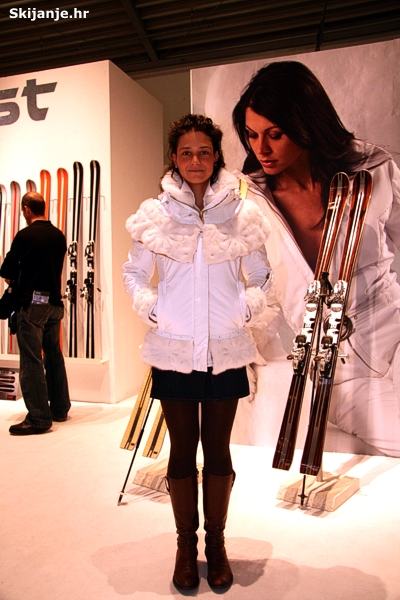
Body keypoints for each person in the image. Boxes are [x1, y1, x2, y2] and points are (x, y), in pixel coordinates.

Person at [123, 114, 272, 591]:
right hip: (174, 353)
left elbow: (262, 276)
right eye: (186, 153)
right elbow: (133, 275)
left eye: (204, 152)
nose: (195, 161)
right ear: (174, 157)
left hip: (226, 350)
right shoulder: (155, 214)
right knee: (183, 450)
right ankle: (185, 546)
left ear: (216, 156)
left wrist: (243, 310)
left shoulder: (243, 213)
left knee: (220, 450)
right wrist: (155, 311)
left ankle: (217, 544)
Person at [232, 60, 400, 457]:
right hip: (329, 365)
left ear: (307, 124)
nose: (261, 149)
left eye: (275, 134)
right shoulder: (248, 201)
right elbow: (242, 284)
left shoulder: (373, 170)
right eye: (252, 135)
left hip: (392, 334)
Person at [0, 191, 70, 435]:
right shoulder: (58, 236)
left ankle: (39, 418)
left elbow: (7, 271)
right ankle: (60, 408)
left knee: (31, 360)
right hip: (54, 304)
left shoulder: (25, 236)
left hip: (32, 305)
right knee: (54, 355)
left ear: (27, 209)